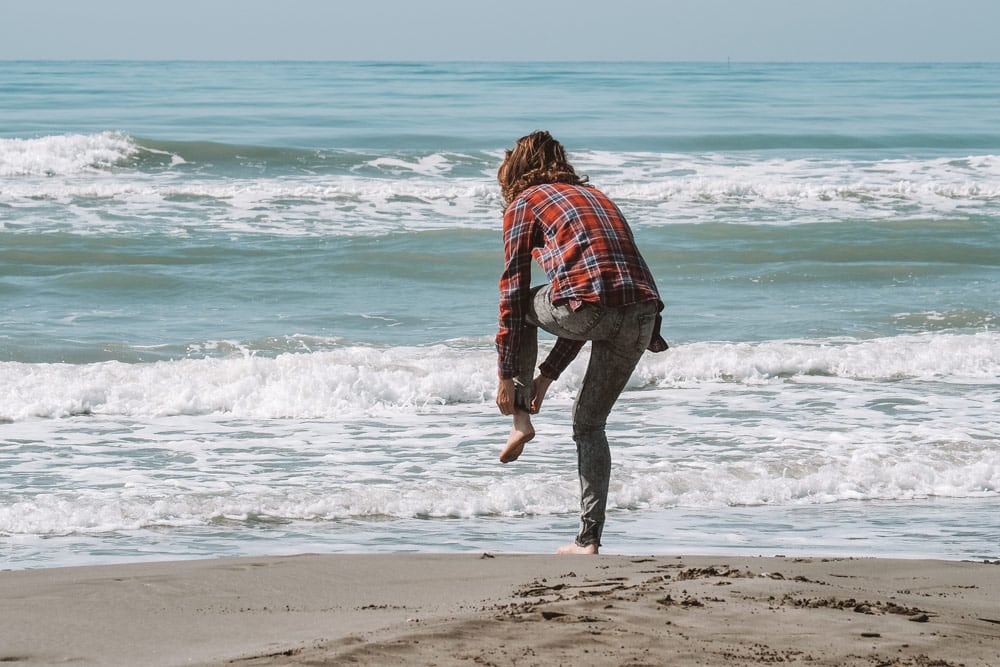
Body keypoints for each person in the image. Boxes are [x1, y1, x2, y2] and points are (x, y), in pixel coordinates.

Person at [494, 130, 667, 555]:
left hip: (593, 308)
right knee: (589, 425)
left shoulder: (524, 203)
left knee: (522, 306)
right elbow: (588, 302)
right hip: (642, 314)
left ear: (513, 172)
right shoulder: (596, 196)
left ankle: (520, 420)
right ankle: (588, 540)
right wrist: (547, 377)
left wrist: (506, 376)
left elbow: (515, 293)